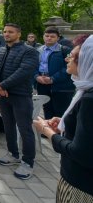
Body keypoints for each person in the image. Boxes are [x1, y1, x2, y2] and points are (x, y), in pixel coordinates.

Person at [34, 34, 93, 203]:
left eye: (73, 56)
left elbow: (80, 153)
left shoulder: (89, 98)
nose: (68, 59)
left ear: (88, 60)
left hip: (80, 184)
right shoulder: (85, 90)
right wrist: (67, 123)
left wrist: (47, 132)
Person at [0, 23, 39, 180]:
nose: (6, 34)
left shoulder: (29, 51)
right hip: (3, 96)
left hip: (21, 95)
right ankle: (13, 153)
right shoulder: (0, 50)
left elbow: (24, 71)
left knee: (25, 129)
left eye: (10, 32)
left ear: (19, 33)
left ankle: (28, 162)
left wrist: (2, 85)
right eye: (4, 32)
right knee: (8, 126)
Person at [34, 27, 75, 119]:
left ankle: (61, 133)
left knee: (61, 113)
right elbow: (32, 66)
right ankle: (48, 133)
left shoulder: (65, 50)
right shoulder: (37, 50)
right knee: (47, 110)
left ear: (58, 38)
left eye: (52, 36)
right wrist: (36, 76)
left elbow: (68, 68)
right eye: (47, 36)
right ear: (43, 36)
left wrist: (53, 79)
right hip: (42, 84)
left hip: (61, 86)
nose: (49, 38)